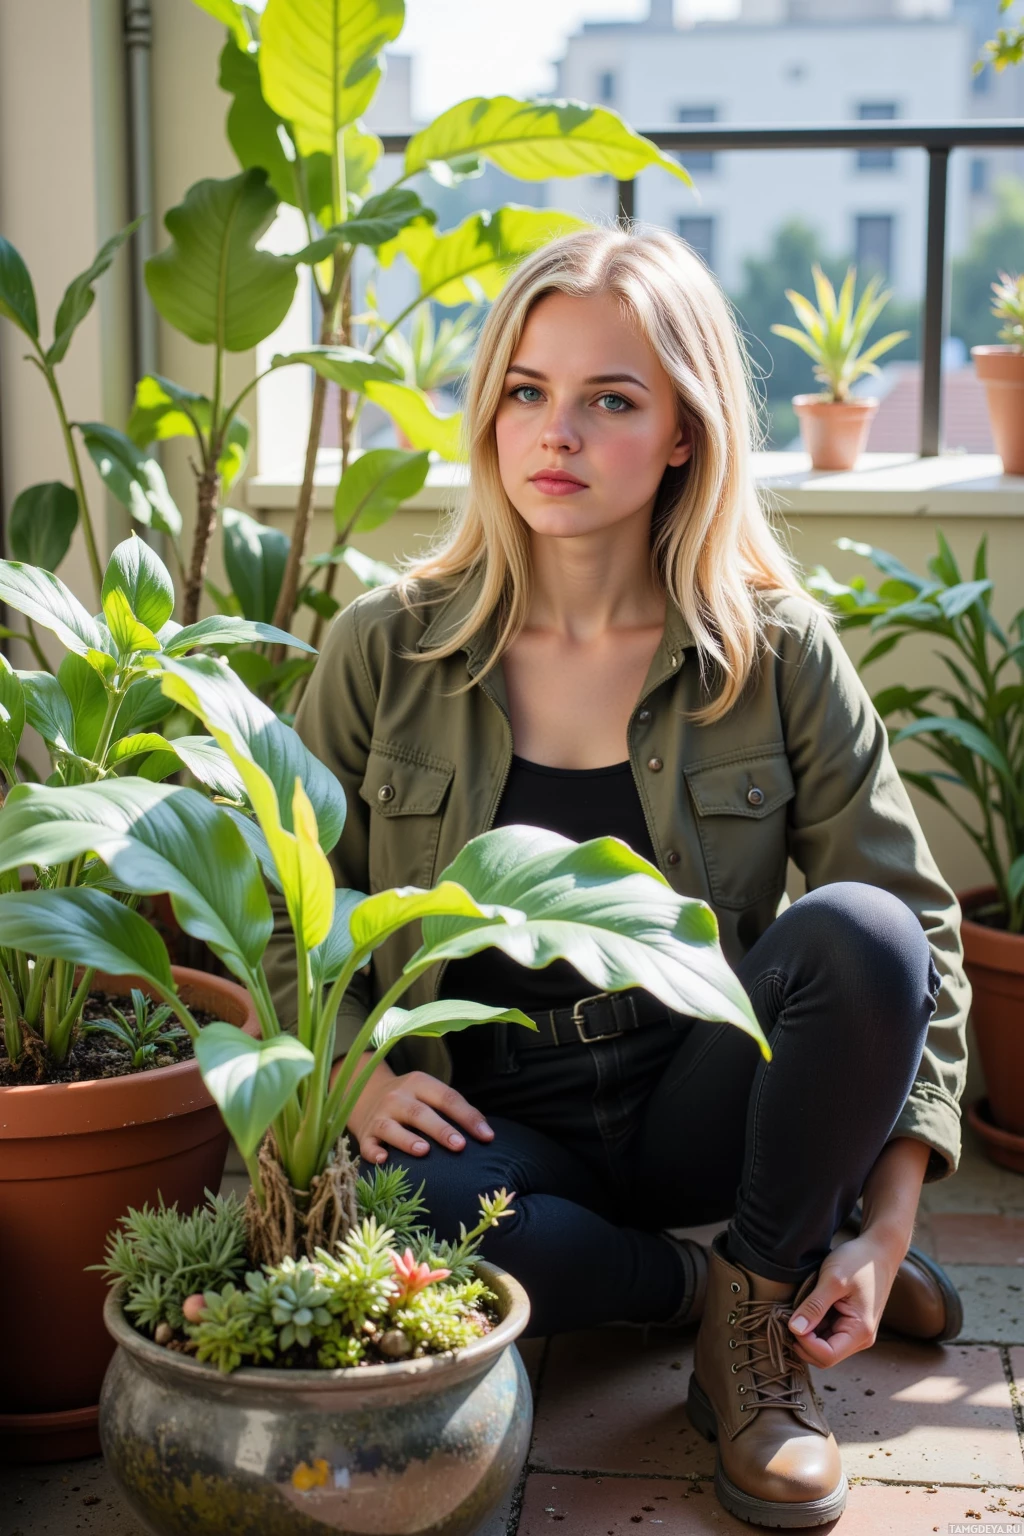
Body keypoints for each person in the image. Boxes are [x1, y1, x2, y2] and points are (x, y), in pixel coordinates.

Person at [266, 225, 970, 1529]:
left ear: (688, 432)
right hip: (488, 1116)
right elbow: (278, 911)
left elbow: (915, 921)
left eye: (611, 399)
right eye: (527, 390)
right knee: (401, 1218)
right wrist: (356, 1064)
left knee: (862, 934)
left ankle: (758, 1359)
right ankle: (725, 1292)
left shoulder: (776, 651)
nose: (557, 433)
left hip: (705, 1093)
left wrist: (886, 1221)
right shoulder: (384, 648)